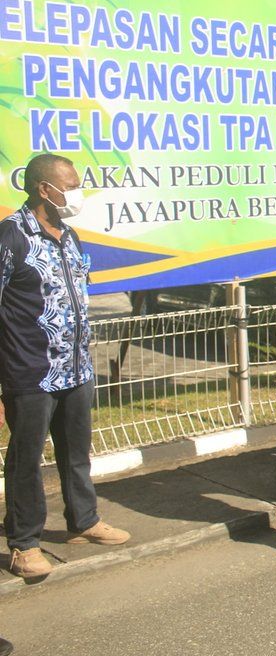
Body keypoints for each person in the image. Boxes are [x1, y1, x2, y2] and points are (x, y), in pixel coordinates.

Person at [1, 154, 129, 580]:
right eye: (70, 185)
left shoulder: (69, 235)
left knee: (76, 452)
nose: (76, 192)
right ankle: (24, 543)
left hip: (76, 369)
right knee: (26, 460)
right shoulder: (11, 237)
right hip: (30, 371)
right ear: (44, 189)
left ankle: (84, 521)